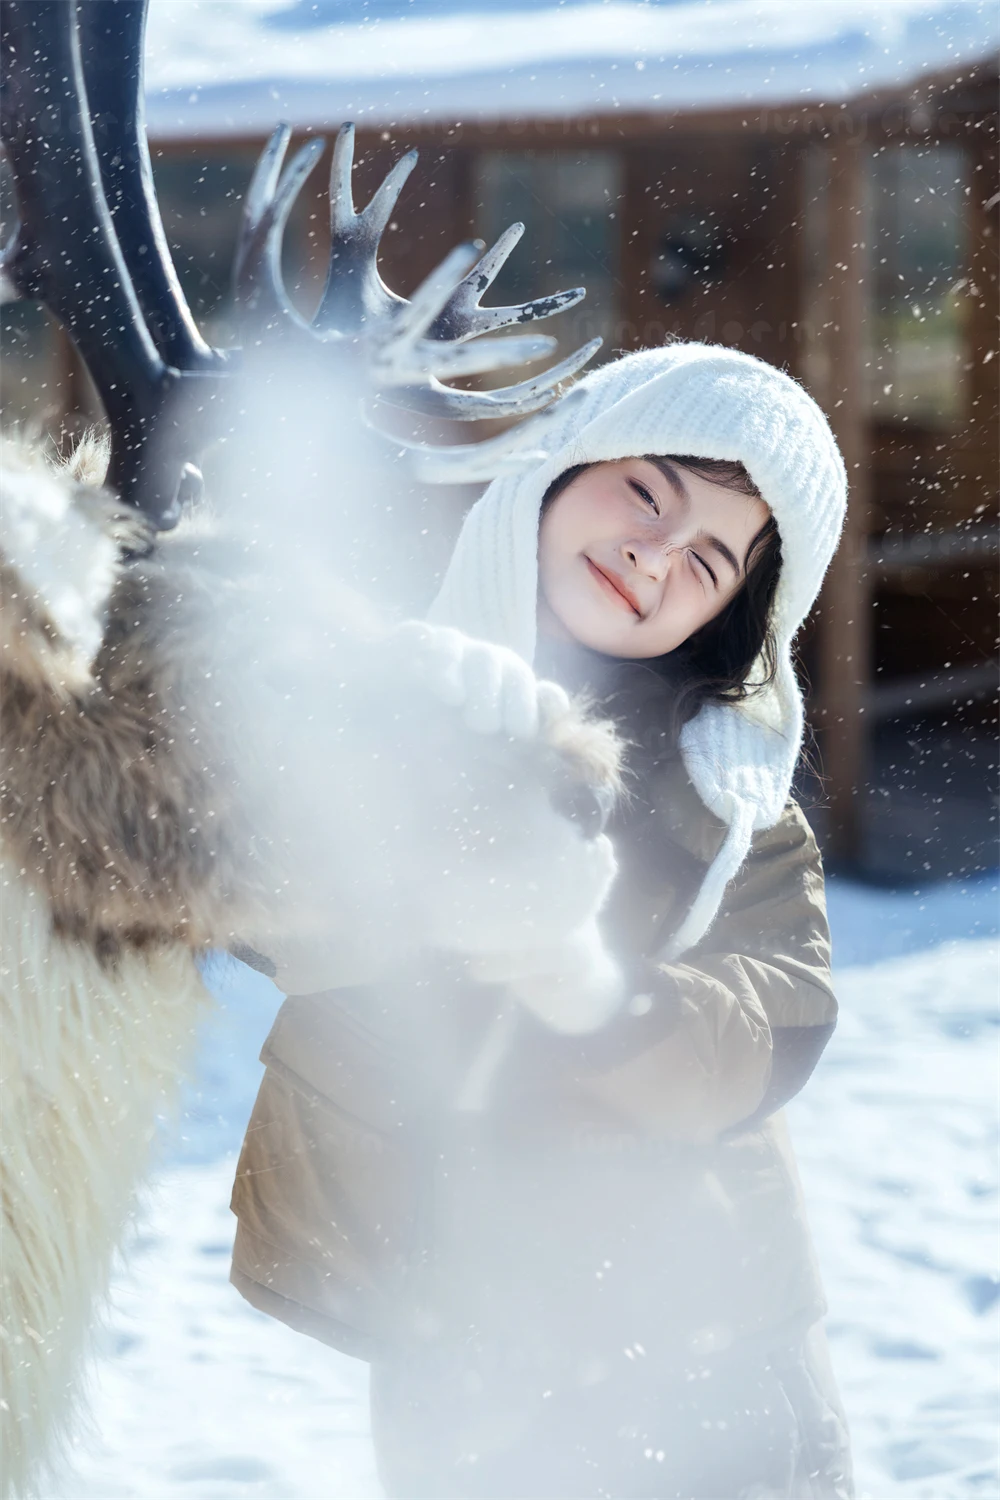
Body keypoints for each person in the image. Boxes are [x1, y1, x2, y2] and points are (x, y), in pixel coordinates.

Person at [229, 341, 854, 1499]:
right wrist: (397, 761)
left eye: (710, 557)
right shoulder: (371, 697)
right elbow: (260, 905)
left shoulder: (734, 807)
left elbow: (767, 1041)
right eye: (645, 492)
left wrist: (586, 983)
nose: (654, 552)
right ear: (555, 471)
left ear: (729, 617)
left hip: (707, 1338)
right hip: (461, 1334)